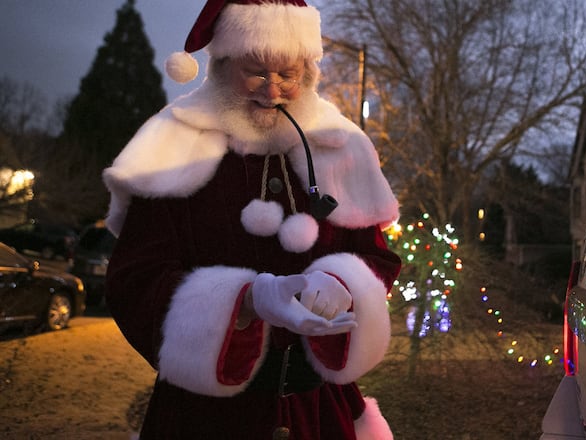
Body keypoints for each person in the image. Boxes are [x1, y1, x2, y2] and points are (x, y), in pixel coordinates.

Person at [102, 0, 401, 438]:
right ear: (222, 65)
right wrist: (244, 300)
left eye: (287, 74)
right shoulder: (171, 149)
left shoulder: (341, 146)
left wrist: (343, 284)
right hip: (205, 420)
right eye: (257, 71)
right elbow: (134, 280)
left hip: (317, 412)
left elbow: (376, 258)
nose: (272, 90)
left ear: (309, 72)